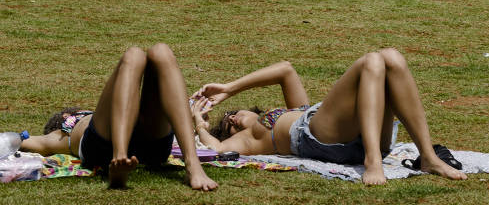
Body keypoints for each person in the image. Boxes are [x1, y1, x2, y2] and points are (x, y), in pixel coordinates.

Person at [189, 48, 468, 185]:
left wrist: (228, 89)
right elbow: (217, 148)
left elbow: (284, 70)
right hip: (317, 137)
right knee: (372, 60)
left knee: (392, 57)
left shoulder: (293, 109)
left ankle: (428, 157)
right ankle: (372, 161)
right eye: (228, 125)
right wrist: (200, 123)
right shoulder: (250, 140)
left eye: (233, 114)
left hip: (347, 131)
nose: (233, 120)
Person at [20, 44, 218, 191]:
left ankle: (121, 158)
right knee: (141, 54)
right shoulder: (63, 131)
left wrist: (4, 138)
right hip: (138, 148)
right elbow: (28, 142)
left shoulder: (71, 134)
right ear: (66, 116)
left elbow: (23, 141)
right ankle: (190, 165)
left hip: (130, 145)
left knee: (156, 52)